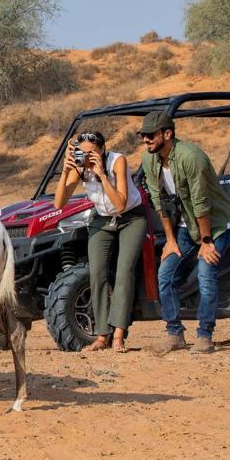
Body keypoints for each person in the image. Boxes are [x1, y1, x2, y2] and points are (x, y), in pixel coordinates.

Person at [139, 111, 230, 355]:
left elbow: (201, 203)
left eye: (150, 135)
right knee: (166, 274)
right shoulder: (149, 159)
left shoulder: (191, 157)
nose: (145, 140)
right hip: (184, 225)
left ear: (167, 134)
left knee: (206, 271)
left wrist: (206, 242)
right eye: (143, 135)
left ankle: (205, 335)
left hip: (214, 225)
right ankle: (175, 334)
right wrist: (170, 241)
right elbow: (159, 202)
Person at [55, 130, 147, 352]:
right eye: (82, 153)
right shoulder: (79, 167)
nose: (86, 157)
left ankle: (118, 335)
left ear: (103, 150)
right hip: (102, 219)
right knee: (97, 273)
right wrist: (66, 170)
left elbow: (121, 203)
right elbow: (59, 203)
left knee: (124, 272)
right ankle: (101, 334)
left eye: (92, 153)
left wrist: (103, 176)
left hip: (130, 218)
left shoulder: (117, 161)